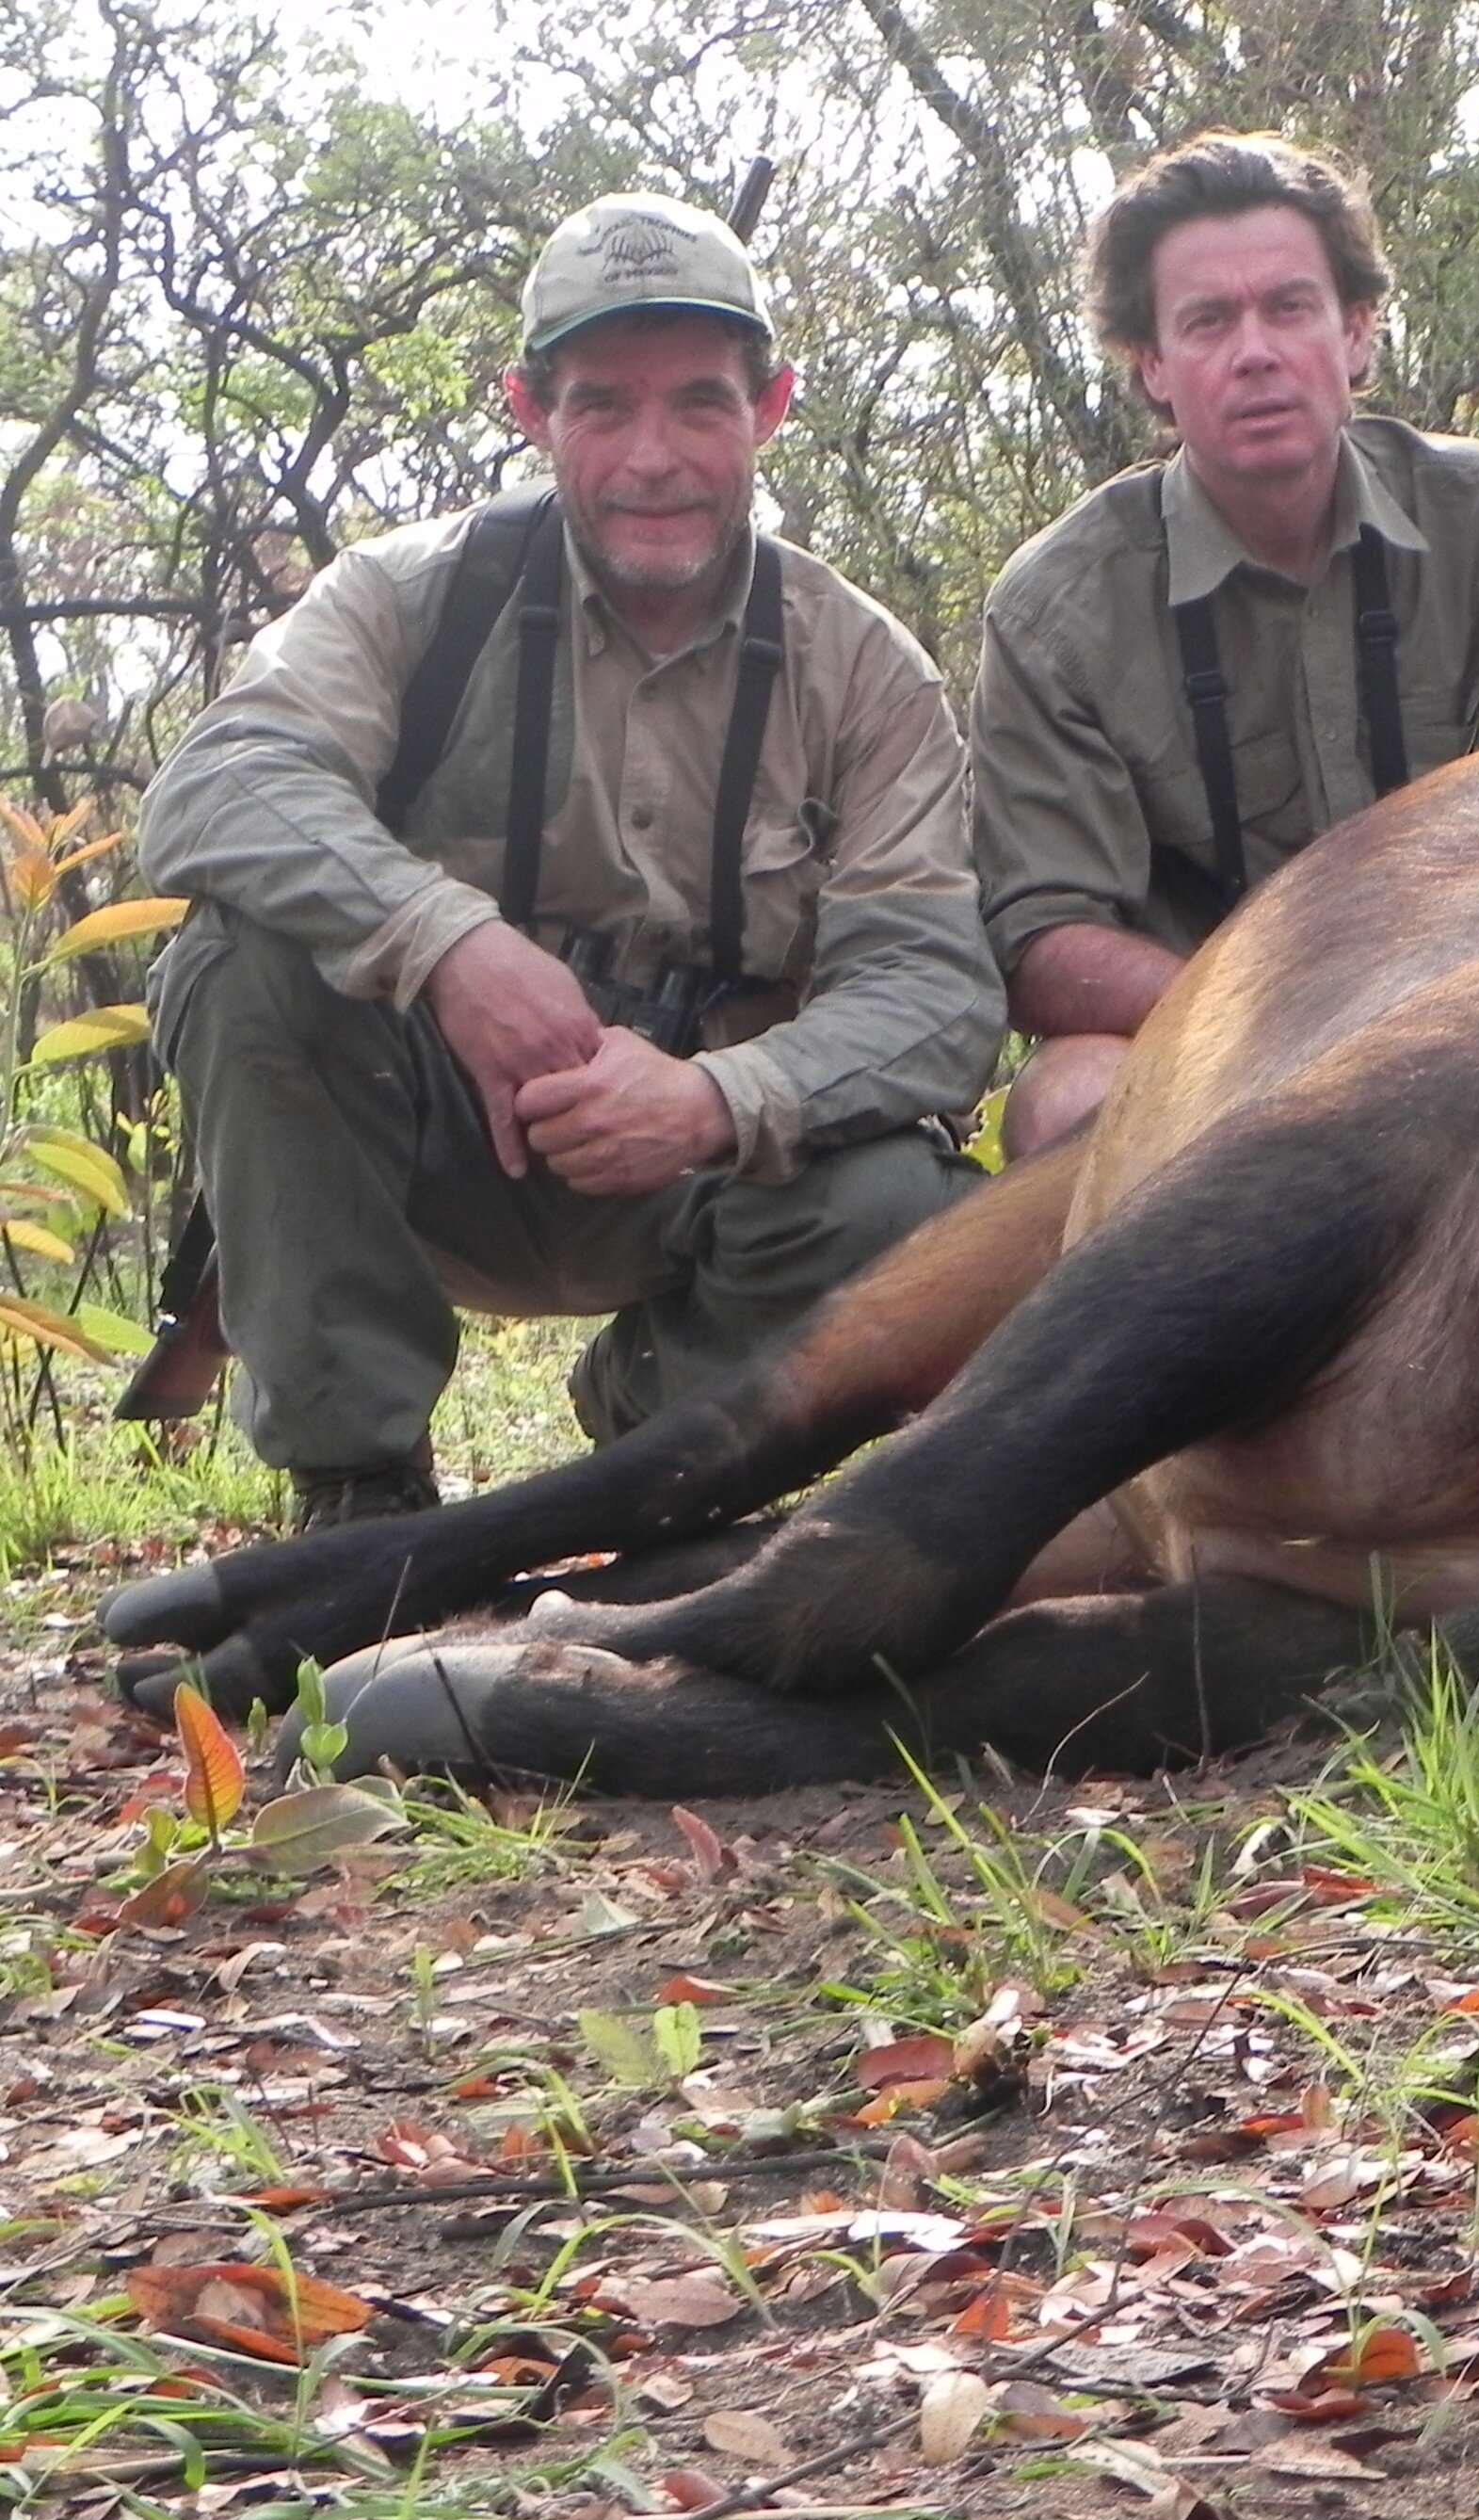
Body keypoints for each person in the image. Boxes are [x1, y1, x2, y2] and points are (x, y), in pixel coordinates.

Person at [138, 191, 1003, 1529]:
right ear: (529, 411)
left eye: (700, 405)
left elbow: (937, 993)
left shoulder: (866, 668)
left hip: (697, 1171)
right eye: (603, 406)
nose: (652, 456)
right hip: (429, 1142)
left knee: (915, 1211)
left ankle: (648, 1458)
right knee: (242, 955)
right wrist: (447, 943)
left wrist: (721, 1095)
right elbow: (217, 783)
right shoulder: (411, 593)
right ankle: (360, 1492)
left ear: (769, 408)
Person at [970, 131, 1479, 1156]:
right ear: (1154, 368)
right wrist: (1284, 1015)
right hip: (1209, 1037)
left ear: (1357, 334)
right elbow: (1042, 944)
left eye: (1290, 307)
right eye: (1208, 321)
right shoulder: (1057, 609)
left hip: (1478, 1005)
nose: (1255, 350)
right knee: (1071, 1096)